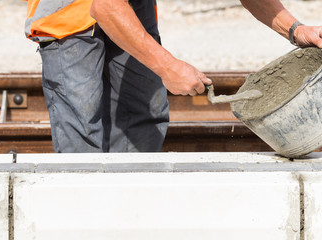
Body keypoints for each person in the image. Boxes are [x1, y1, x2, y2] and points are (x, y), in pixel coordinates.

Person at [24, 0, 322, 153]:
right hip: (68, 13)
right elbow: (105, 7)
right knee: (83, 125)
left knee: (143, 113)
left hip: (128, 5)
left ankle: (130, 214)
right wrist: (168, 67)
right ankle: (82, 219)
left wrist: (295, 30)